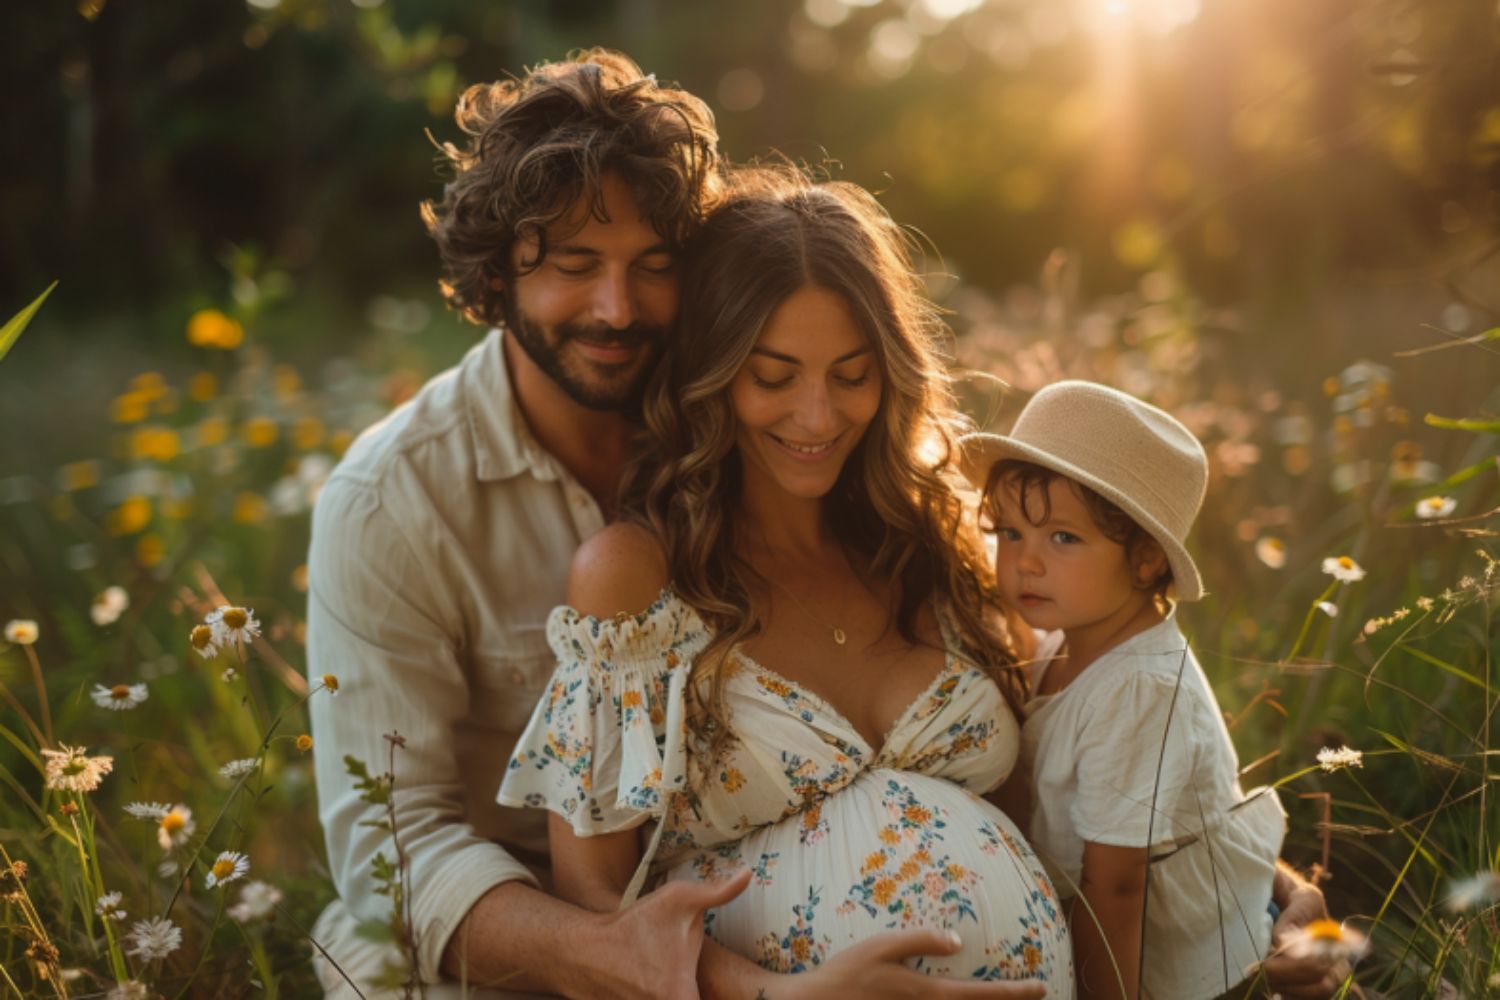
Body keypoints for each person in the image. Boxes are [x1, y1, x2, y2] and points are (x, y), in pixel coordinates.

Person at [308, 45, 1346, 1000]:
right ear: (498, 273)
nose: (618, 307)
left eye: (652, 265)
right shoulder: (401, 505)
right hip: (573, 960)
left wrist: (1242, 879)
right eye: (573, 262)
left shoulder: (910, 522)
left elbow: (1075, 729)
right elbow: (398, 850)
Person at [499, 168, 1077, 992]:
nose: (818, 416)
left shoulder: (936, 542)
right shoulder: (636, 582)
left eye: (851, 375)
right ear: (711, 372)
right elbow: (592, 894)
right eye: (773, 377)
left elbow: (1072, 777)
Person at [963, 380, 1318, 999]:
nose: (1025, 561)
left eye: (1063, 538)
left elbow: (1117, 886)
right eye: (1010, 532)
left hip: (1189, 966)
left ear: (1149, 560)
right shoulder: (1063, 637)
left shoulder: (1140, 688)